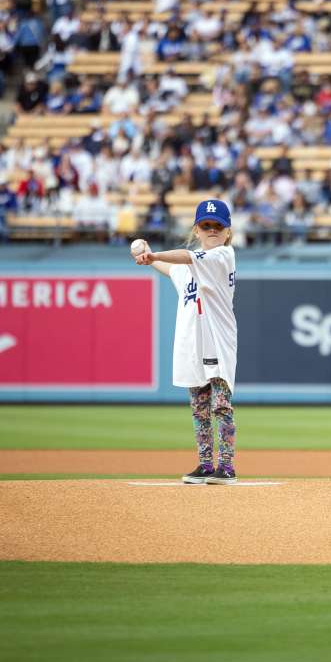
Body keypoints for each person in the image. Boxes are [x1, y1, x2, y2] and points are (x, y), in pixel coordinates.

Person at [133, 199, 239, 484]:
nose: (212, 229)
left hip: (217, 342)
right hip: (192, 344)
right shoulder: (187, 265)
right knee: (199, 407)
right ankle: (205, 464)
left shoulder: (223, 256)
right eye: (206, 225)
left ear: (228, 232)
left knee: (221, 405)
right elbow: (172, 269)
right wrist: (147, 257)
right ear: (197, 229)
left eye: (218, 225)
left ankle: (226, 466)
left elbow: (183, 257)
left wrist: (154, 255)